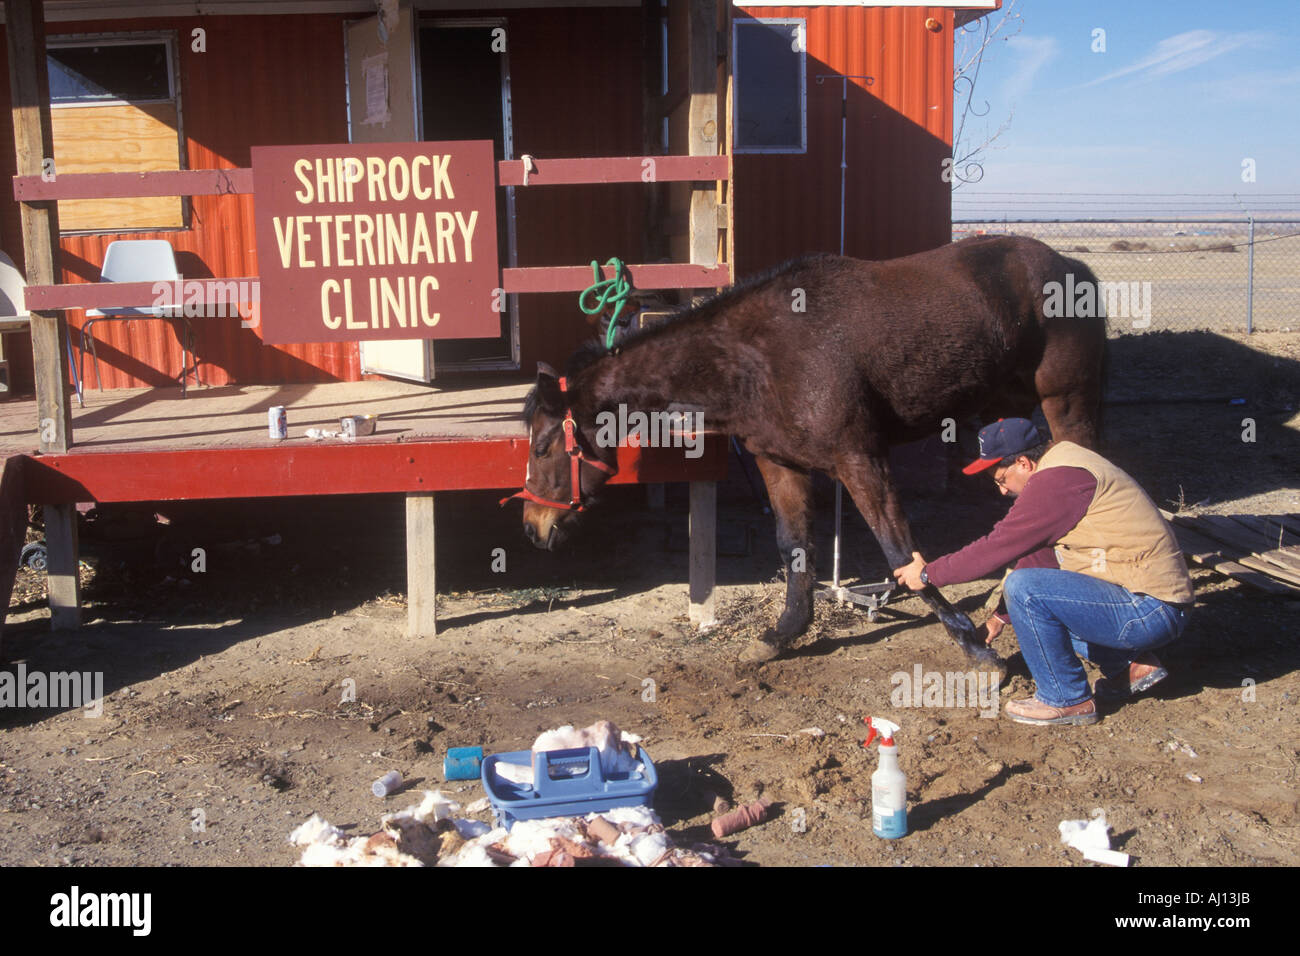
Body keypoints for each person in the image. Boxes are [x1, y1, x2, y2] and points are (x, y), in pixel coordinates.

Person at [892, 418, 1194, 726]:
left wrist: (929, 574)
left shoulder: (1058, 481)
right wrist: (1000, 618)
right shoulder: (1065, 463)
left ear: (1023, 462)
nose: (1001, 489)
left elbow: (997, 547)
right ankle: (1130, 665)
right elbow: (1040, 554)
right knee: (1033, 599)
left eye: (1001, 478)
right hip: (1148, 603)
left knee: (1025, 588)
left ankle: (1066, 699)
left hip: (1148, 611)